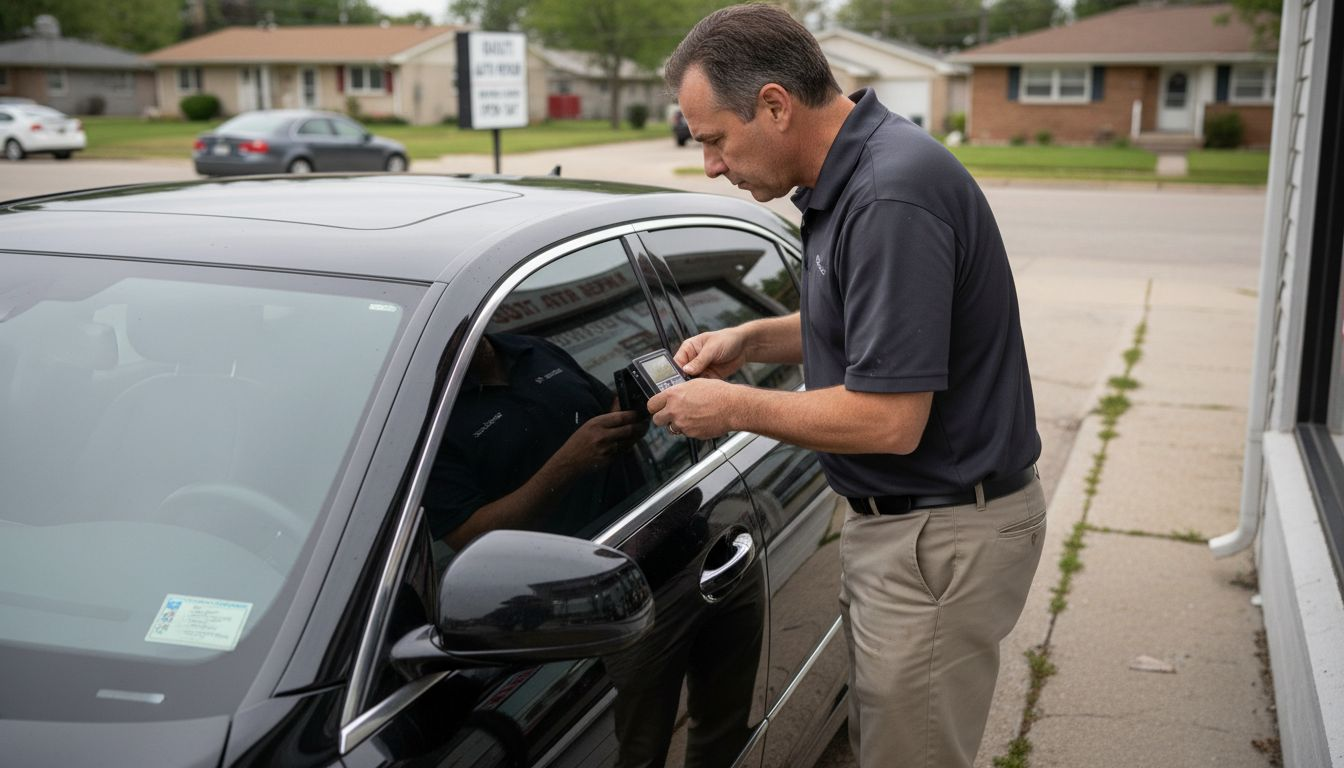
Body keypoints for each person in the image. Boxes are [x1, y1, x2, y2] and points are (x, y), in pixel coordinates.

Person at [649, 5, 1046, 767]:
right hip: (916, 528)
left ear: (774, 104)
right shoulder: (856, 175)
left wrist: (732, 406)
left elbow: (889, 419)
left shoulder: (889, 196)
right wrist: (750, 339)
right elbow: (875, 326)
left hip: (939, 535)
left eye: (714, 140)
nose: (710, 166)